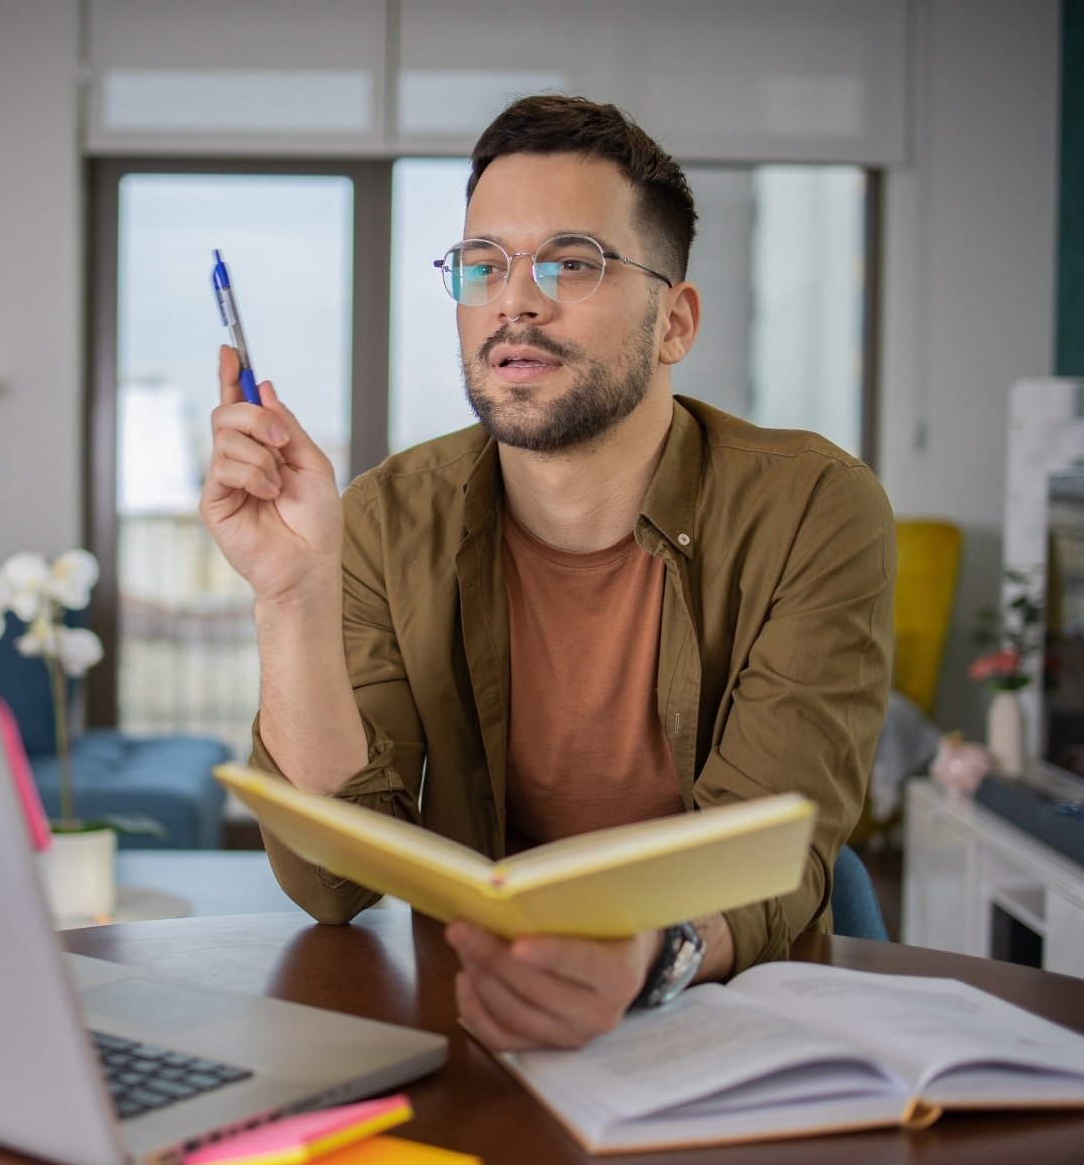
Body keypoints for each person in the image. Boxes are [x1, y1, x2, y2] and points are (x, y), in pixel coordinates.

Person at [200, 95, 894, 1051]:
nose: (514, 300)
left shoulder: (814, 506)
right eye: (482, 266)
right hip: (485, 1008)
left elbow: (777, 846)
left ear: (674, 323)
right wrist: (290, 595)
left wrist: (639, 960)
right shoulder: (384, 518)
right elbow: (332, 881)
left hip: (726, 1009)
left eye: (573, 262)